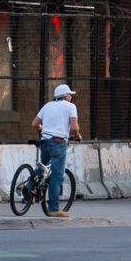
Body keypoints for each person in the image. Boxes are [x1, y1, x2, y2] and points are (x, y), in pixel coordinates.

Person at [32, 83, 82, 218]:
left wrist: (44, 128)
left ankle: (29, 186)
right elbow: (74, 127)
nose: (71, 97)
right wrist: (77, 135)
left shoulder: (47, 105)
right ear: (65, 96)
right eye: (70, 95)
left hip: (44, 142)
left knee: (42, 166)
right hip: (58, 143)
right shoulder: (70, 107)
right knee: (57, 175)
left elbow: (35, 124)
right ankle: (53, 208)